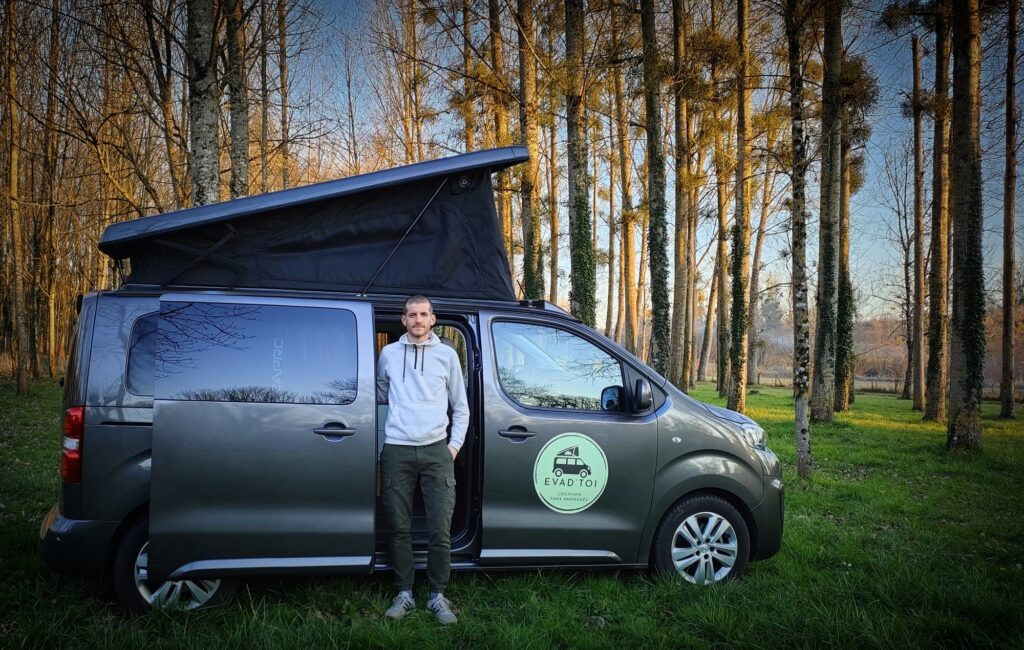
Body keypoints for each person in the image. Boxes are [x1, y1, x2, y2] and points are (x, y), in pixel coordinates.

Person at [376, 295, 468, 625]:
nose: (417, 319)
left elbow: (461, 407)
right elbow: (381, 394)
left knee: (439, 528)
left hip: (436, 451)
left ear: (433, 319)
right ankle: (404, 593)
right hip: (397, 450)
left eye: (423, 314)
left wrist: (452, 447)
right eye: (411, 314)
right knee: (398, 527)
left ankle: (437, 596)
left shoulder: (447, 356)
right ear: (403, 320)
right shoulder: (388, 354)